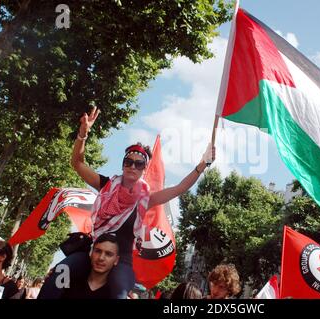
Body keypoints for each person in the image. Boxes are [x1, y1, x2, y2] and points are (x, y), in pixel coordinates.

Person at [40, 106, 215, 299]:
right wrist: (83, 134)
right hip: (94, 252)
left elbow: (179, 188)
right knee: (59, 274)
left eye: (138, 164)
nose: (132, 166)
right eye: (128, 162)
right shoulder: (106, 184)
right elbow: (77, 163)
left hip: (121, 261)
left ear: (144, 169)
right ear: (123, 164)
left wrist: (202, 164)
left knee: (119, 293)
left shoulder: (145, 199)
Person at [61, 233, 120, 299]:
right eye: (98, 251)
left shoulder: (113, 294)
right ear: (91, 253)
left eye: (108, 254)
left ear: (116, 260)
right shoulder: (69, 277)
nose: (101, 258)